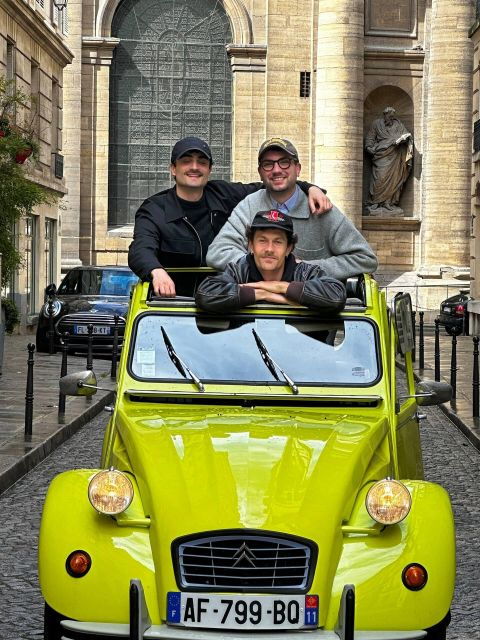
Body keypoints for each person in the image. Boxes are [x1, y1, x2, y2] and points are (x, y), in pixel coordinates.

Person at [128, 136, 332, 297]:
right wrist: (156, 271)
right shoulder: (154, 209)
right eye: (186, 161)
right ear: (173, 169)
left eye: (202, 162)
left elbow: (271, 185)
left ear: (209, 170)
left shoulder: (224, 194)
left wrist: (309, 188)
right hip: (173, 308)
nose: (194, 167)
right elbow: (140, 249)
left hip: (227, 306)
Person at [206, 137, 378, 280]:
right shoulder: (250, 205)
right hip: (255, 309)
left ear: (298, 168)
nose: (276, 170)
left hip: (308, 314)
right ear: (260, 172)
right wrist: (262, 266)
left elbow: (365, 260)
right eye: (268, 164)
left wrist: (304, 269)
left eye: (284, 162)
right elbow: (217, 253)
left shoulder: (321, 210)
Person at [196, 209, 346, 313]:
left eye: (278, 242)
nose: (269, 249)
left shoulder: (306, 273)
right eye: (262, 240)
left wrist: (282, 287)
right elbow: (205, 294)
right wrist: (263, 294)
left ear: (289, 248)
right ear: (251, 245)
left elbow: (336, 297)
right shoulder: (238, 271)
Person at [364, 106, 413, 213]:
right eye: (389, 117)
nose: (390, 119)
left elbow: (406, 135)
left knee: (395, 179)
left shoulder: (398, 125)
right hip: (381, 155)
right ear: (384, 115)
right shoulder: (377, 124)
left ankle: (388, 202)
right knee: (380, 178)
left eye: (392, 117)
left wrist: (404, 139)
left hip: (396, 156)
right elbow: (370, 137)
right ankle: (375, 202)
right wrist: (369, 147)